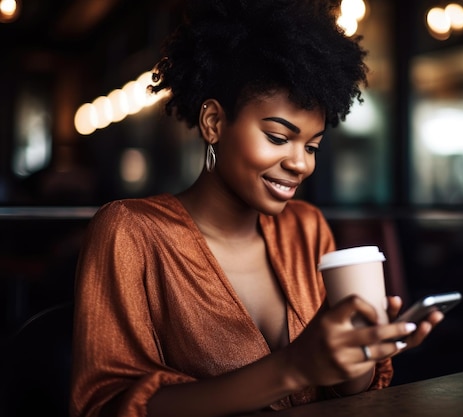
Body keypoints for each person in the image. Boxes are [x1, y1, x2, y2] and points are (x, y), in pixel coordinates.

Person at [69, 1, 443, 416]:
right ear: (213, 122)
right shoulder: (130, 232)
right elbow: (106, 406)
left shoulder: (307, 228)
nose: (301, 163)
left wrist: (362, 352)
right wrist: (293, 367)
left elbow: (347, 394)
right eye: (278, 138)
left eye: (312, 145)